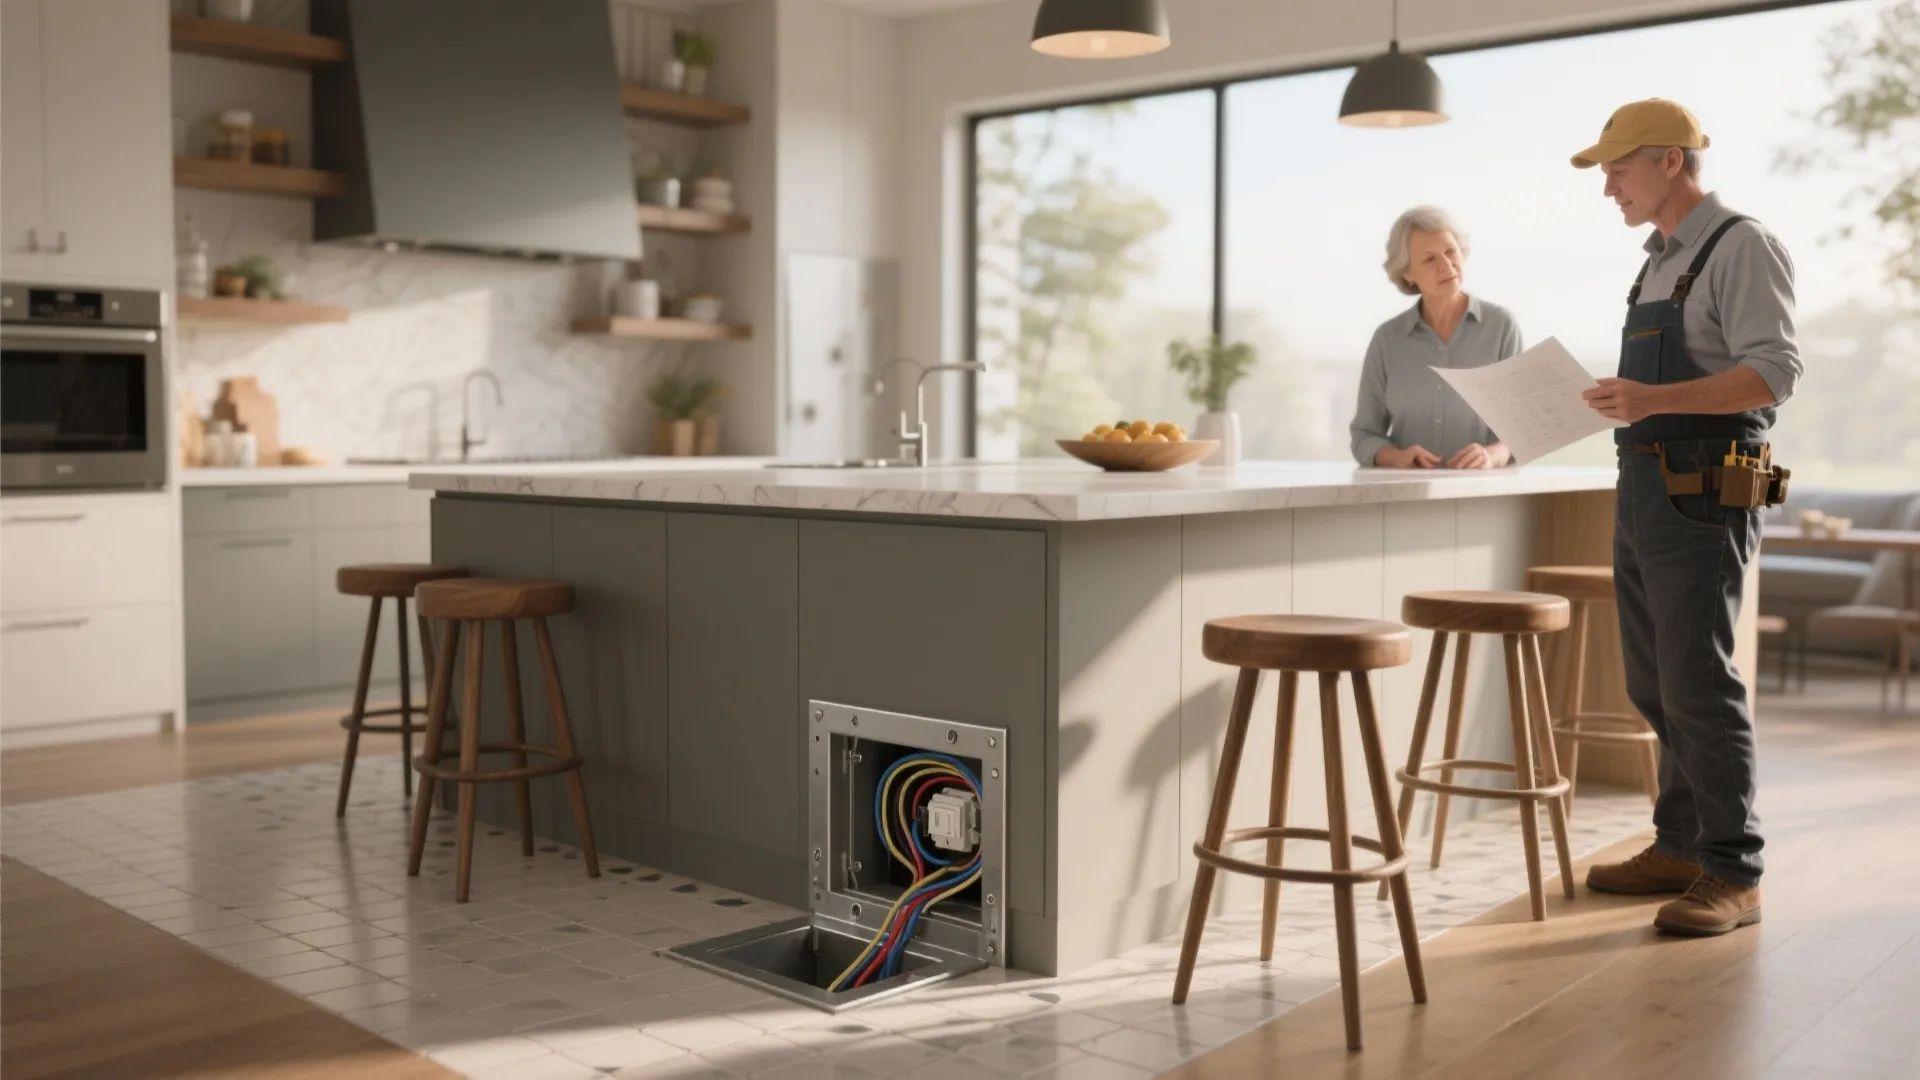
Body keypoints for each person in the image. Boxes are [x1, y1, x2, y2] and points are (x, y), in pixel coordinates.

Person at [1573, 99, 1801, 936]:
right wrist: (1624, 401)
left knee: (1699, 681)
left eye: (1618, 168)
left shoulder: (1740, 244)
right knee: (1654, 681)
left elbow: (1773, 373)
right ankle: (1679, 842)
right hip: (1642, 489)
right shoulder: (1657, 261)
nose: (1608, 188)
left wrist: (1653, 397)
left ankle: (1734, 870)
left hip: (1704, 491)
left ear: (1671, 160)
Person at [1350, 206, 1523, 470]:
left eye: (1450, 251)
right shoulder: (1387, 340)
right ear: (1408, 272)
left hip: (1485, 495)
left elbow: (1521, 430)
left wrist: (1491, 456)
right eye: (1430, 259)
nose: (1446, 265)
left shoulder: (1501, 327)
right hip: (1409, 497)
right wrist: (1397, 457)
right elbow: (1364, 436)